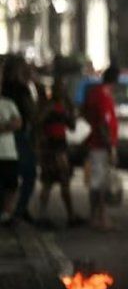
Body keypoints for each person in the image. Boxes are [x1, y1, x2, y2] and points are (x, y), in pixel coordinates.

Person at [35, 77, 83, 227]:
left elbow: (72, 126)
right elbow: (39, 122)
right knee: (50, 182)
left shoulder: (63, 106)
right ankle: (44, 216)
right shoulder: (49, 106)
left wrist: (70, 113)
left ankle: (69, 215)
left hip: (59, 145)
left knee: (62, 182)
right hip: (51, 146)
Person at [83, 66, 120, 230]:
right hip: (101, 145)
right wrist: (110, 146)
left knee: (96, 181)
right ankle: (101, 218)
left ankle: (96, 217)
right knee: (100, 183)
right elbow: (104, 124)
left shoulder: (93, 93)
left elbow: (85, 112)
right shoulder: (104, 96)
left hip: (95, 142)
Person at [2, 57, 38, 222]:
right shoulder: (20, 89)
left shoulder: (8, 88)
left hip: (15, 135)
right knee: (27, 173)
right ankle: (18, 209)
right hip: (19, 136)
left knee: (11, 175)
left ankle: (13, 209)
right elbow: (31, 114)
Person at [0, 63, 24, 224]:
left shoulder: (8, 103)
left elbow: (18, 123)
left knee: (12, 185)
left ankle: (6, 214)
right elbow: (13, 123)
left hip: (9, 153)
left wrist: (5, 127)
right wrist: (7, 126)